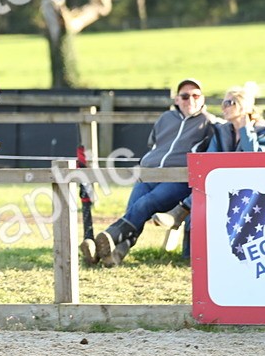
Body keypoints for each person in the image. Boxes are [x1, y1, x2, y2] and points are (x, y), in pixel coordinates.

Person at [81, 78, 217, 267]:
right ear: (177, 100)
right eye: (185, 96)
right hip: (149, 174)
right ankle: (115, 254)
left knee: (144, 205)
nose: (190, 100)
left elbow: (217, 148)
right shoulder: (165, 119)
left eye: (196, 95)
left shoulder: (210, 123)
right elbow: (153, 144)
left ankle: (105, 239)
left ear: (202, 99)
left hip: (178, 179)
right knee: (133, 209)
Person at [151, 83, 265, 254]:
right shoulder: (221, 131)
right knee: (201, 198)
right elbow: (209, 162)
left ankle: (179, 211)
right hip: (222, 185)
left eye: (229, 103)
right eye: (223, 103)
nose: (223, 108)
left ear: (244, 106)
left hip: (252, 189)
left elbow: (257, 161)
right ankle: (190, 254)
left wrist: (245, 130)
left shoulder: (264, 132)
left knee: (204, 197)